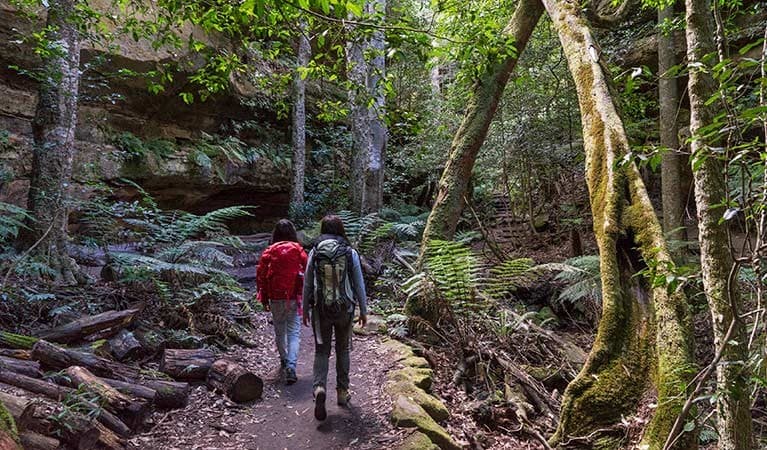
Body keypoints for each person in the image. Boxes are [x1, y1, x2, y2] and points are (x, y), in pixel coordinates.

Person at [302, 215, 367, 421]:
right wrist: (363, 310)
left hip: (320, 309)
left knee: (322, 350)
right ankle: (342, 392)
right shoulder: (350, 252)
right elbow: (358, 283)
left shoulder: (315, 252)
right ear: (341, 230)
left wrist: (305, 309)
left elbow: (307, 282)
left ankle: (320, 387)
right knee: (343, 349)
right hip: (345, 309)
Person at [256, 219, 307, 385]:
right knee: (294, 331)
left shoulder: (269, 251)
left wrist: (263, 298)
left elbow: (261, 277)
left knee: (279, 330)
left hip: (275, 296)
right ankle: (292, 365)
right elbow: (307, 271)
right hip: (294, 296)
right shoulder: (298, 250)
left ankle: (284, 360)